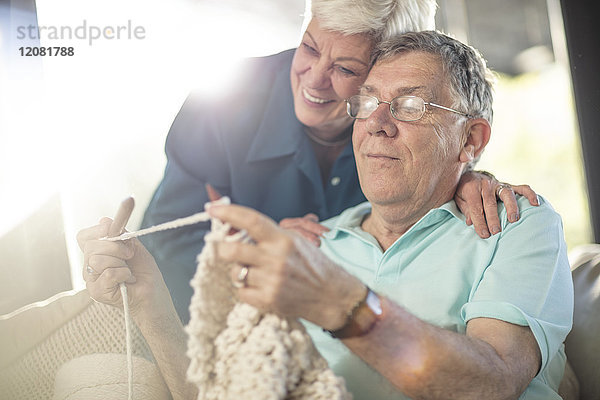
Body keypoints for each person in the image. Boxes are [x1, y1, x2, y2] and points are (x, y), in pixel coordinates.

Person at [78, 31, 573, 399]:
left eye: (410, 106)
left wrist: (339, 302)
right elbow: (220, 391)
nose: (376, 123)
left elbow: (494, 381)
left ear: (471, 139)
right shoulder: (313, 245)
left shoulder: (515, 224)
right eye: (368, 101)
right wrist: (149, 300)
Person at [140, 0, 538, 323]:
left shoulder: (398, 130)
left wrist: (462, 178)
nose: (313, 79)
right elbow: (161, 242)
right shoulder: (221, 104)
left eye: (346, 68)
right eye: (309, 47)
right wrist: (256, 260)